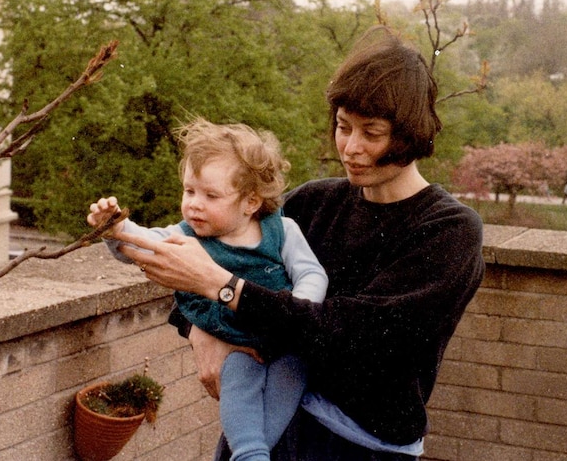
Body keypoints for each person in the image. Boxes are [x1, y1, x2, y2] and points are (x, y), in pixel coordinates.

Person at [113, 25, 486, 461]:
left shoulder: (447, 230)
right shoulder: (313, 202)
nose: (350, 147)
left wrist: (225, 288)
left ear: (409, 135)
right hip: (263, 433)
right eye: (344, 127)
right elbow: (209, 263)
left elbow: (356, 335)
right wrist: (199, 329)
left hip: (359, 446)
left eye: (372, 132)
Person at [86, 117, 328, 461]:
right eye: (189, 191)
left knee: (290, 380)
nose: (195, 204)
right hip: (234, 347)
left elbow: (312, 274)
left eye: (211, 195)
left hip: (285, 342)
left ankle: (258, 450)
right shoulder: (188, 235)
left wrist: (296, 308)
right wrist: (117, 228)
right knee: (238, 388)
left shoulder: (282, 230)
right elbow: (146, 245)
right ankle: (249, 453)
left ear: (251, 202)